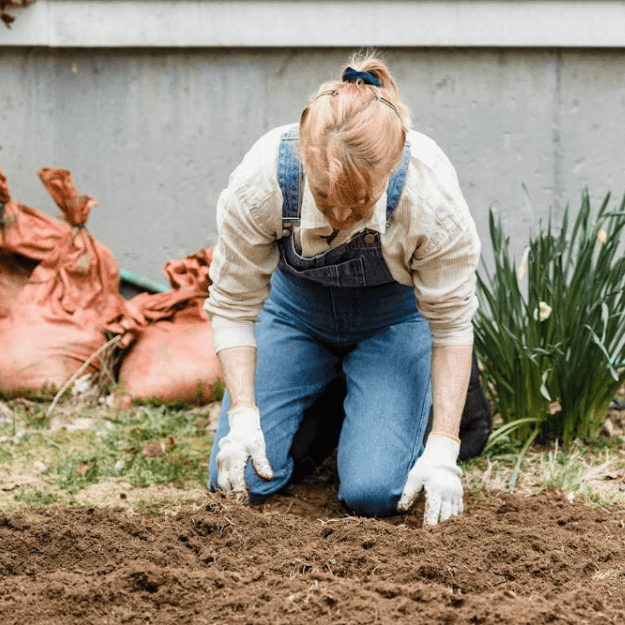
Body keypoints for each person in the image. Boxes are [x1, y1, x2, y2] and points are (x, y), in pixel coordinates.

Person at [203, 52, 480, 526]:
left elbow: (452, 326)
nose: (341, 218)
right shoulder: (263, 180)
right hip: (294, 315)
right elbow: (232, 305)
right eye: (326, 197)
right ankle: (333, 398)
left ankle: (397, 400)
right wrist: (244, 415)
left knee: (374, 493)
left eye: (361, 202)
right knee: (242, 481)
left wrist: (443, 447)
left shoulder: (430, 197)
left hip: (392, 322)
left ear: (390, 169)